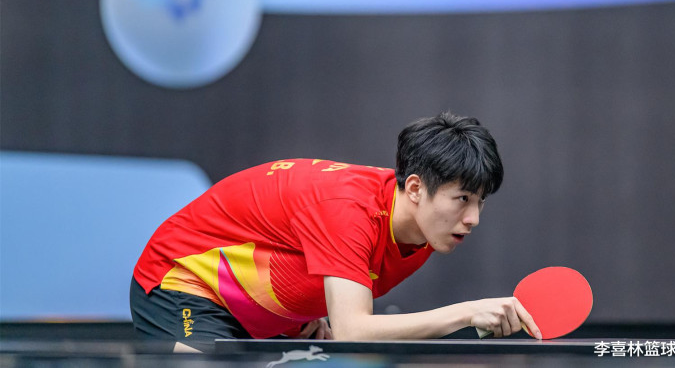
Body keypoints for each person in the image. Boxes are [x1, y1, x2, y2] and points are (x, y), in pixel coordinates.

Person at [130, 111, 541, 352]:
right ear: (416, 188)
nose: (473, 218)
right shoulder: (349, 210)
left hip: (254, 309)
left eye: (480, 202)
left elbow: (297, 253)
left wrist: (308, 313)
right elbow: (354, 331)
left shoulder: (424, 228)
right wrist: (465, 313)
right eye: (463, 199)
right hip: (182, 281)